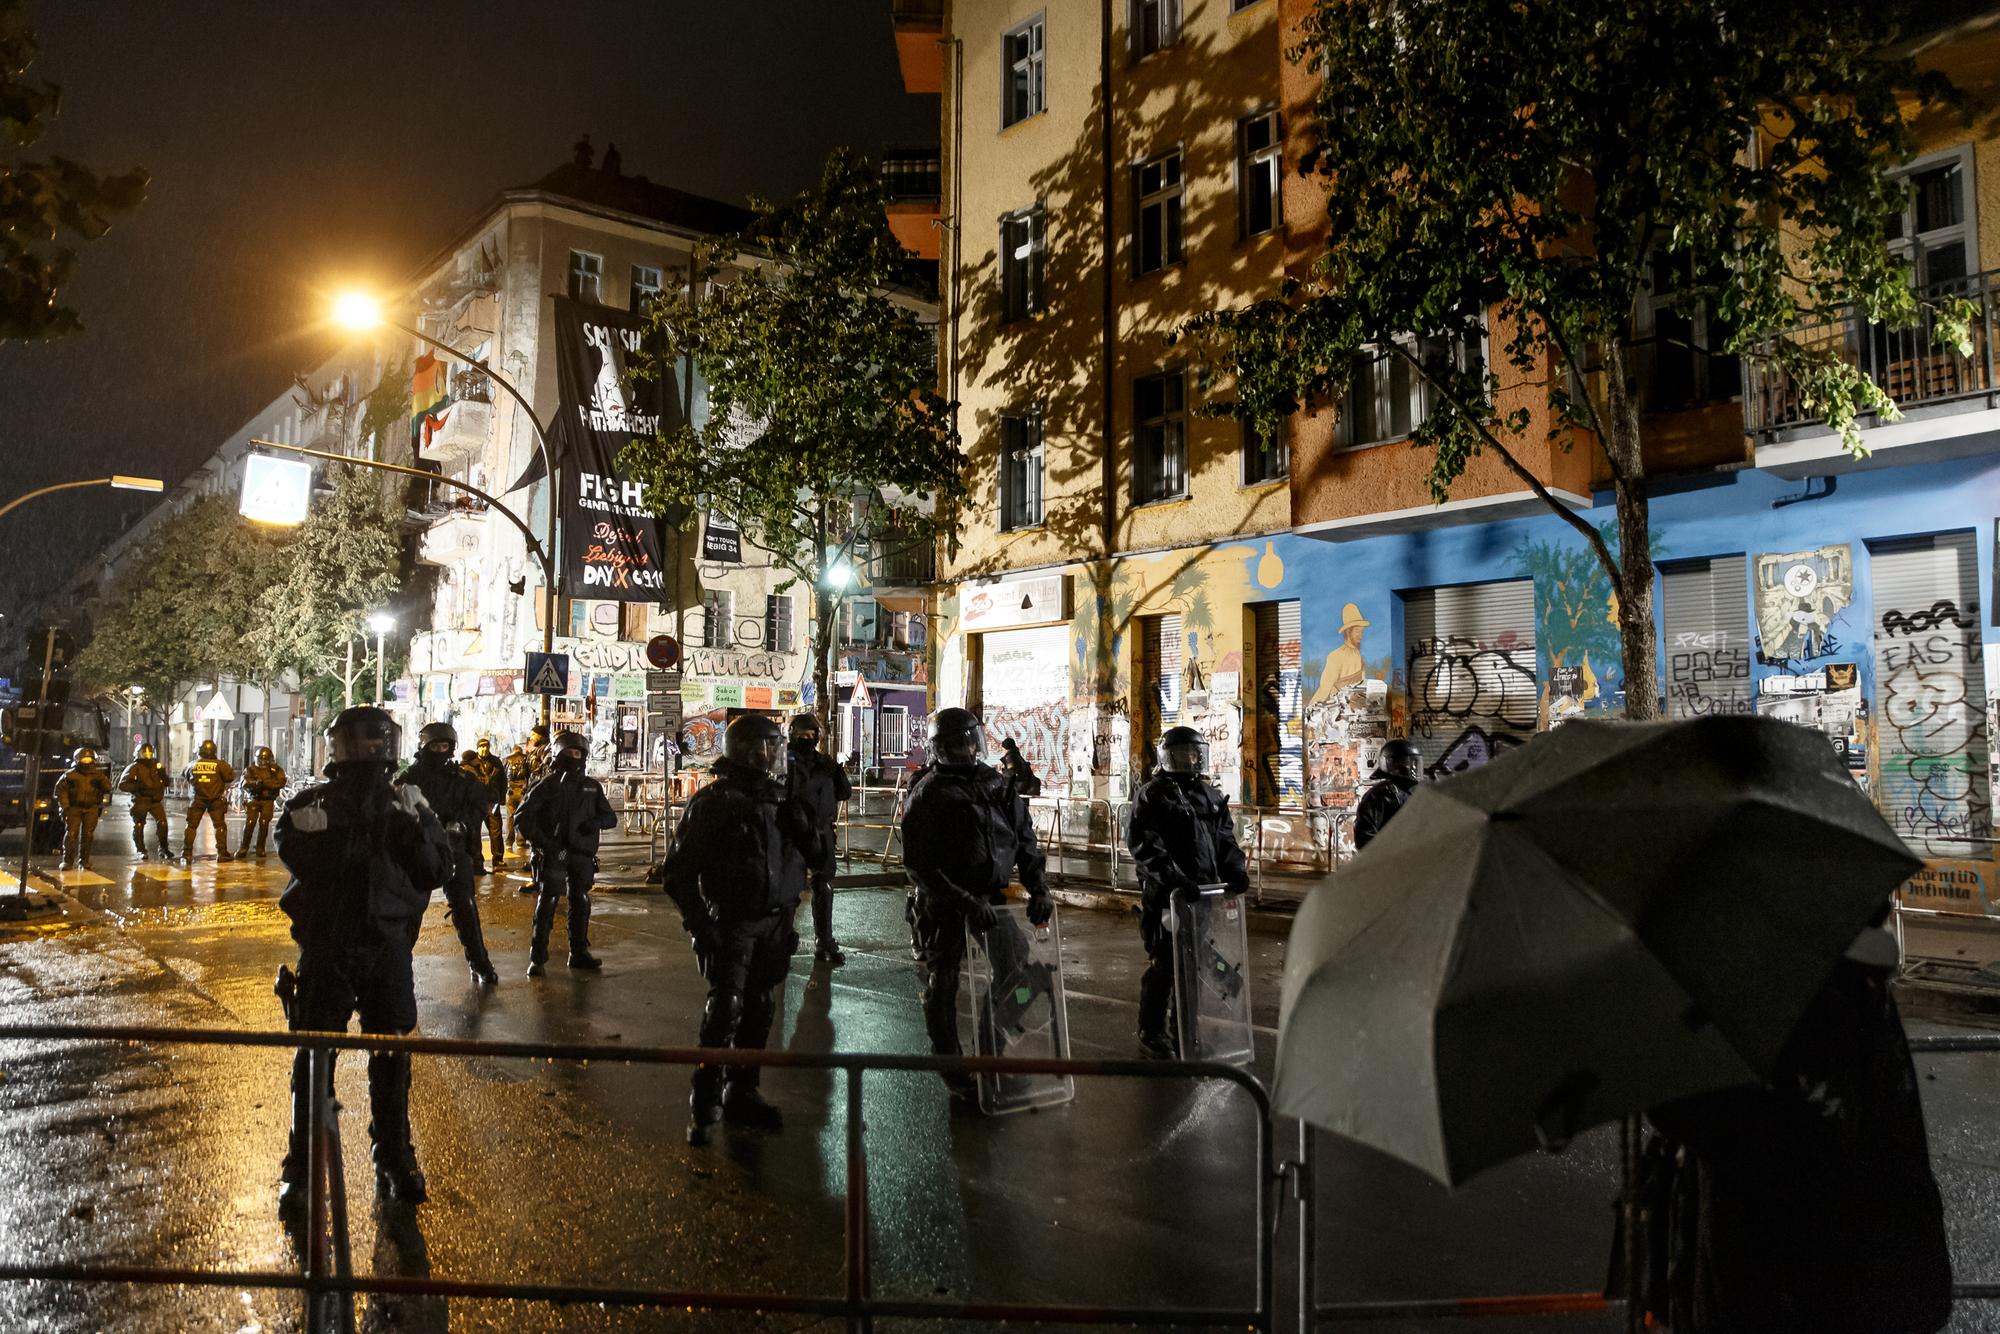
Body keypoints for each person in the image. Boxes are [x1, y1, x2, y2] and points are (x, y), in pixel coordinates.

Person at [1629, 921, 1952, 1334]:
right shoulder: (1845, 987)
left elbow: (1769, 1147)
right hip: (1864, 1283)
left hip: (1804, 1296)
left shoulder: (1804, 1003)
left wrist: (1663, 1067)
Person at [274, 706, 452, 1213]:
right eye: (362, 741)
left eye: (379, 741)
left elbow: (437, 869)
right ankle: (302, 1165)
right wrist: (358, 833)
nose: (372, 750)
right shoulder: (312, 803)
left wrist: (413, 828)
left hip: (387, 947)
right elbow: (301, 856)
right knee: (315, 1056)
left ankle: (394, 1155)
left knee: (391, 1054)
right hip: (329, 947)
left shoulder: (408, 803)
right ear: (341, 746)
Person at [659, 714, 809, 1145]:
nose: (773, 754)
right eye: (765, 746)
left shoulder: (780, 799)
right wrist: (701, 926)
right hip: (734, 920)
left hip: (776, 920)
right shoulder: (714, 801)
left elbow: (811, 858)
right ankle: (705, 1102)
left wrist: (807, 828)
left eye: (775, 746)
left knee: (761, 1008)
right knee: (725, 1008)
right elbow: (678, 874)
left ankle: (743, 1090)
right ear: (746, 750)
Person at [899, 706, 1052, 1098]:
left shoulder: (995, 784)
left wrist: (1039, 888)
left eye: (969, 742)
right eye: (954, 744)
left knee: (1019, 973)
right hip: (943, 900)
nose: (964, 750)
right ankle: (953, 1069)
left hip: (990, 899)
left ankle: (991, 1054)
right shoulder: (928, 792)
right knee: (943, 982)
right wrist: (963, 900)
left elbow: (1024, 839)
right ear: (939, 749)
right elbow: (919, 863)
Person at [1125, 725, 1250, 1058]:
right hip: (1167, 898)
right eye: (1182, 754)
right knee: (1165, 965)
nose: (1190, 760)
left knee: (1191, 967)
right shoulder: (1153, 795)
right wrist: (1174, 879)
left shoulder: (1209, 795)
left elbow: (1225, 840)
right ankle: (1151, 1031)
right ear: (1168, 757)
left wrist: (1235, 870)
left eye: (1195, 754)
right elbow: (1145, 845)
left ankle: (1186, 1032)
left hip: (1202, 896)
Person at [394, 722, 500, 986]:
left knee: (465, 905)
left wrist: (462, 824)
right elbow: (394, 810)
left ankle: (479, 963)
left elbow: (479, 804)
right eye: (435, 746)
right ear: (424, 747)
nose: (440, 751)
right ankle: (396, 967)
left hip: (454, 849)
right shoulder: (409, 778)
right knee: (410, 911)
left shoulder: (462, 778)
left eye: (445, 746)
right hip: (418, 852)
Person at [517, 729, 617, 976]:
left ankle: (579, 953)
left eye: (578, 753)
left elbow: (610, 817)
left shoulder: (591, 787)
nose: (575, 757)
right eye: (570, 752)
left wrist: (594, 823)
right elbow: (523, 818)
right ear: (560, 755)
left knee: (580, 901)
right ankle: (538, 958)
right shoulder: (547, 786)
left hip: (581, 854)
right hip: (554, 854)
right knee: (548, 901)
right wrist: (544, 843)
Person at [786, 711, 852, 965]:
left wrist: (837, 772)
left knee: (823, 885)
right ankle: (783, 937)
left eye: (811, 733)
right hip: (792, 834)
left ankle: (824, 941)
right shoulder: (783, 761)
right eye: (802, 734)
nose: (807, 738)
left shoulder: (825, 763)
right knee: (789, 888)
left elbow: (844, 792)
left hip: (822, 832)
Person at [1353, 739, 1421, 850]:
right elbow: (1365, 837)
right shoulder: (1376, 796)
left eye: (1414, 763)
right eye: (1405, 762)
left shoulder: (1418, 790)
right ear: (1393, 763)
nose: (1411, 767)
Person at [53, 746, 113, 870]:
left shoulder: (98, 775)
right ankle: (68, 861)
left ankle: (84, 860)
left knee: (88, 835)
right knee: (71, 834)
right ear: (78, 760)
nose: (87, 762)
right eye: (84, 759)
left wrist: (101, 779)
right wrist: (66, 807)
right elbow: (60, 791)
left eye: (89, 759)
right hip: (74, 809)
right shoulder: (70, 775)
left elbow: (107, 788)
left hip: (91, 808)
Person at [183, 738, 237, 863]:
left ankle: (187, 853)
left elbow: (185, 776)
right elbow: (230, 777)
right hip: (215, 800)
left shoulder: (192, 764)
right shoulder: (220, 764)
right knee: (219, 826)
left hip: (197, 799)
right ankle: (222, 853)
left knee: (191, 826)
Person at [119, 743, 172, 861]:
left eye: (150, 753)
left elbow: (167, 782)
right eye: (145, 753)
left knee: (163, 823)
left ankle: (164, 849)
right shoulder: (134, 767)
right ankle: (141, 850)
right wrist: (138, 786)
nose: (148, 755)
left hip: (155, 800)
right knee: (139, 825)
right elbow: (122, 785)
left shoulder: (156, 766)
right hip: (140, 800)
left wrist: (162, 772)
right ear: (139, 754)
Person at [464, 738, 510, 871]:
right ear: (477, 748)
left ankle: (498, 859)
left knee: (496, 831)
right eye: (481, 747)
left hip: (492, 802)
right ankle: (477, 860)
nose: (484, 749)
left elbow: (503, 782)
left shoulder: (496, 762)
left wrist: (501, 798)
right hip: (476, 803)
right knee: (475, 833)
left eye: (486, 746)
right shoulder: (470, 763)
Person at [237, 746, 288, 859]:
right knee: (250, 823)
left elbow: (281, 782)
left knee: (264, 823)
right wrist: (255, 783)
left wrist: (267, 784)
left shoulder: (275, 770)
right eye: (262, 759)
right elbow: (244, 783)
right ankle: (244, 847)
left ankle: (260, 847)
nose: (264, 762)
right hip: (254, 799)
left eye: (266, 759)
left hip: (268, 800)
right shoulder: (251, 769)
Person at [503, 742, 532, 853]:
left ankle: (508, 842)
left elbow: (503, 776)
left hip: (510, 791)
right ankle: (520, 841)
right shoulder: (526, 758)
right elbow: (530, 775)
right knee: (522, 816)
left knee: (510, 817)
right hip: (523, 791)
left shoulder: (506, 759)